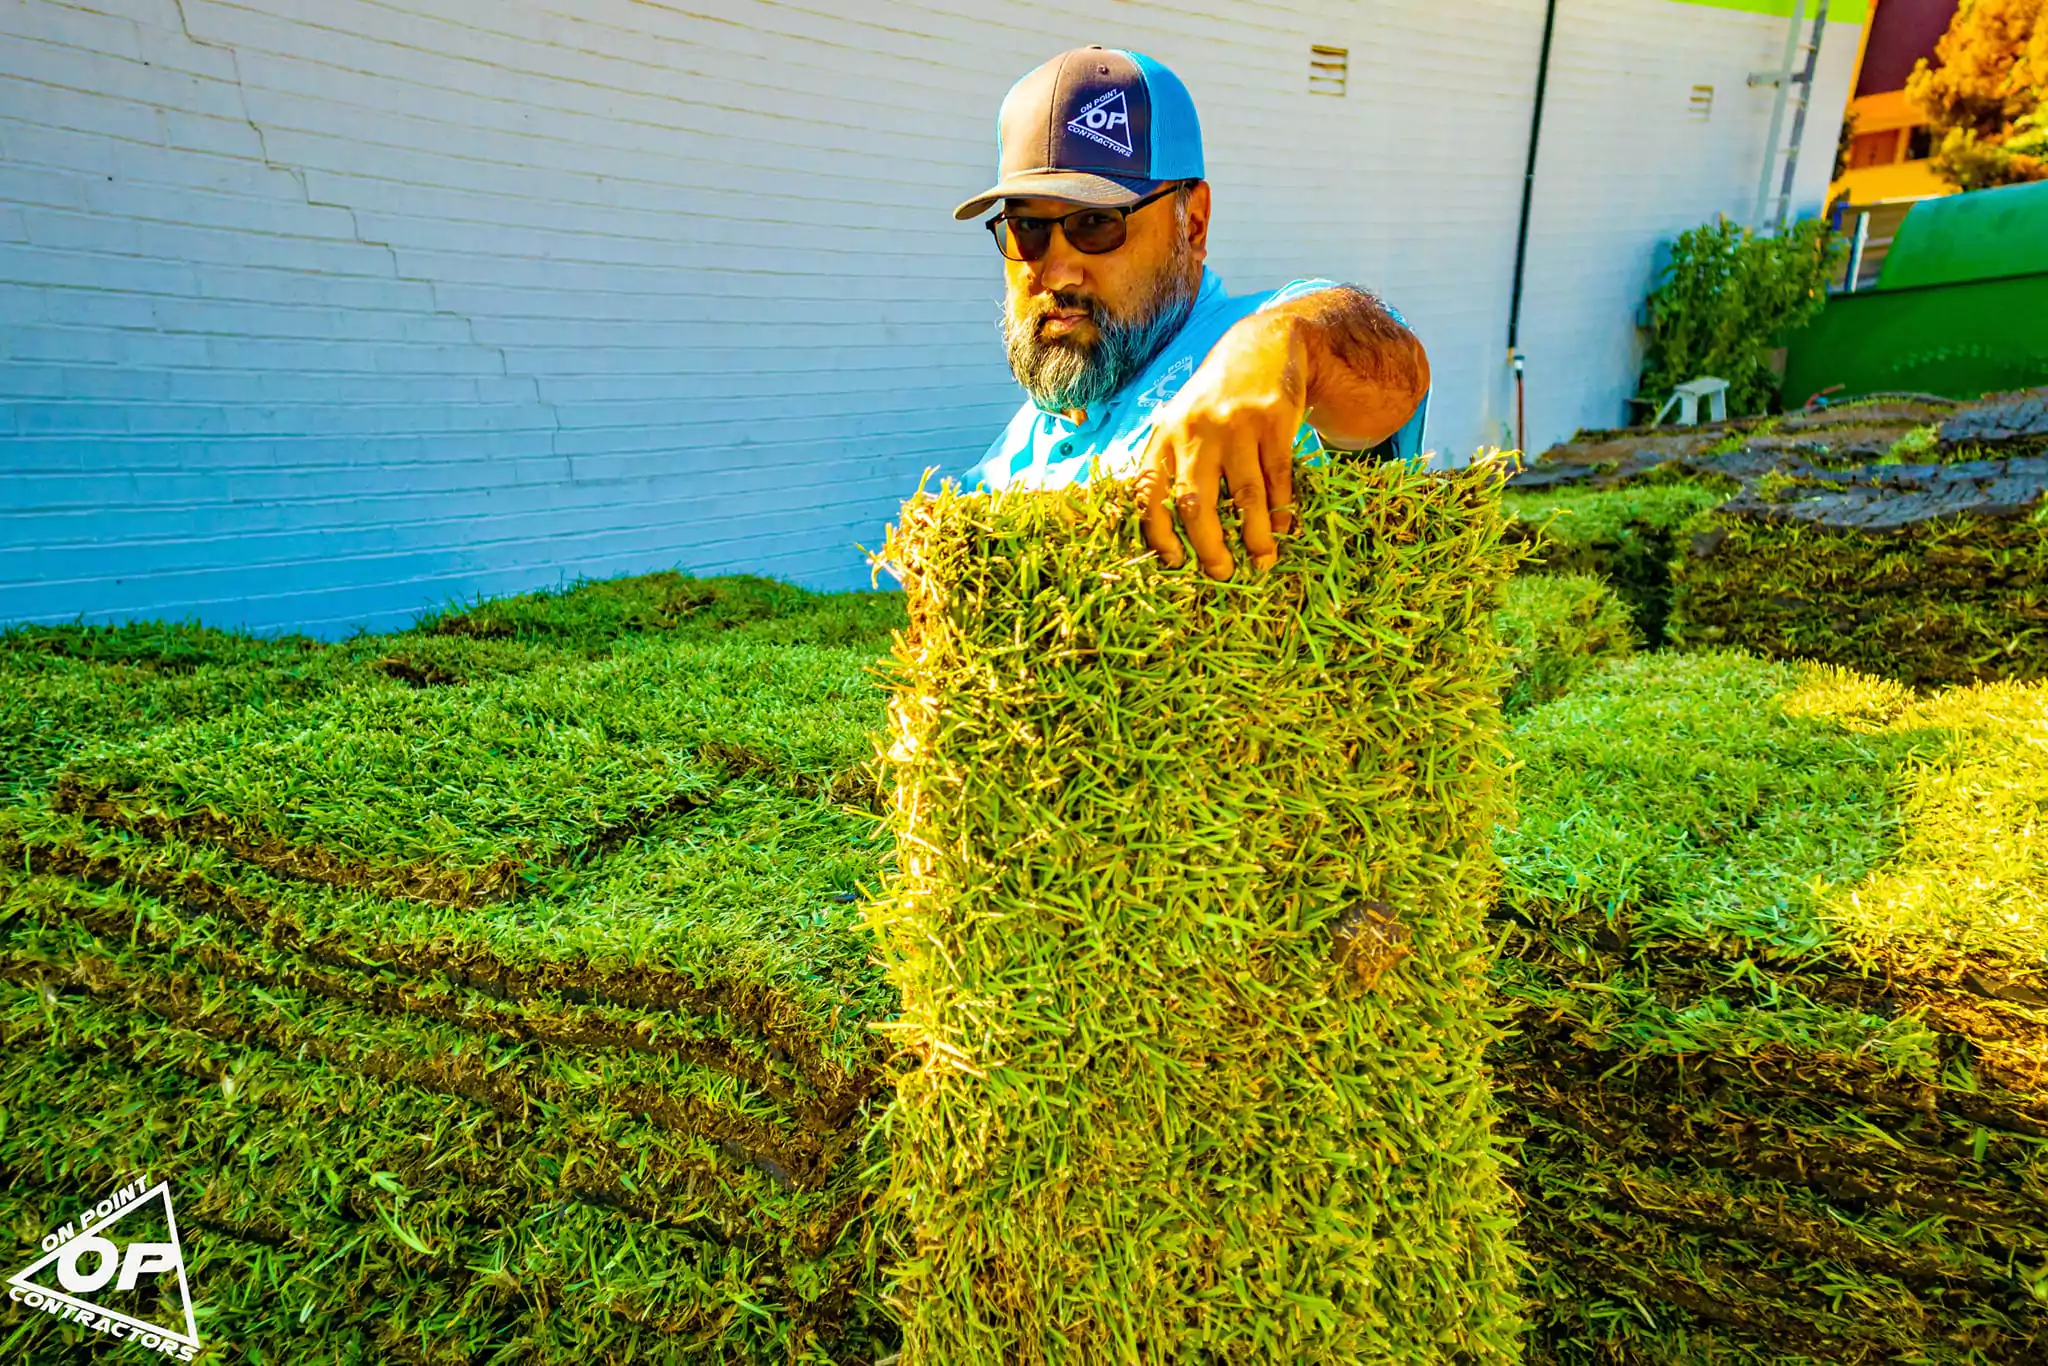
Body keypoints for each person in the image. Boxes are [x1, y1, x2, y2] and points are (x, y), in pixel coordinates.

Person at [950, 46, 1432, 581]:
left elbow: (1393, 372)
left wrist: (1287, 347)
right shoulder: (1007, 460)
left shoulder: (1253, 355)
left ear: (1193, 224)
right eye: (1029, 228)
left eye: (1096, 223)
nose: (1058, 271)